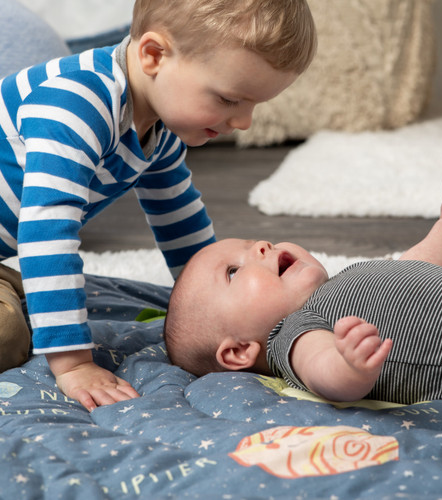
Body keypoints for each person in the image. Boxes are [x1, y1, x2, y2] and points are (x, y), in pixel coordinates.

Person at [0, 0, 317, 411]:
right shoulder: (76, 102)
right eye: (228, 99)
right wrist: (73, 364)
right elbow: (46, 232)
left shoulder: (159, 125)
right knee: (9, 332)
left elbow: (179, 216)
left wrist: (217, 310)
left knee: (51, 293)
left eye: (254, 105)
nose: (243, 123)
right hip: (31, 239)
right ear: (154, 55)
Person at [164, 176, 442, 409]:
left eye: (253, 242)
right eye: (233, 271)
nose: (263, 246)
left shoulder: (344, 279)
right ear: (238, 352)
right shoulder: (293, 333)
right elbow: (322, 369)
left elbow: (415, 268)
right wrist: (349, 366)